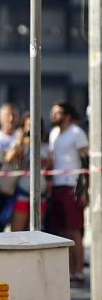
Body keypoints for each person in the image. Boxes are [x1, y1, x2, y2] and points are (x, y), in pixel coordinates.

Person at [48, 102, 88, 286]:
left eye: (57, 113)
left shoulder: (77, 133)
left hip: (72, 185)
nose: (53, 115)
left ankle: (79, 271)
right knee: (62, 230)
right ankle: (69, 270)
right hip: (57, 186)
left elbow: (85, 161)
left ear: (68, 115)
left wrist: (83, 189)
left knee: (74, 230)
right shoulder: (54, 134)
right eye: (52, 112)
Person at [7, 113, 52, 232]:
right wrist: (20, 141)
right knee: (17, 232)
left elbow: (50, 169)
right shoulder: (21, 145)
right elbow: (8, 158)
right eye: (28, 125)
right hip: (23, 192)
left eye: (36, 125)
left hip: (41, 195)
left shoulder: (46, 148)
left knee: (37, 232)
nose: (32, 129)